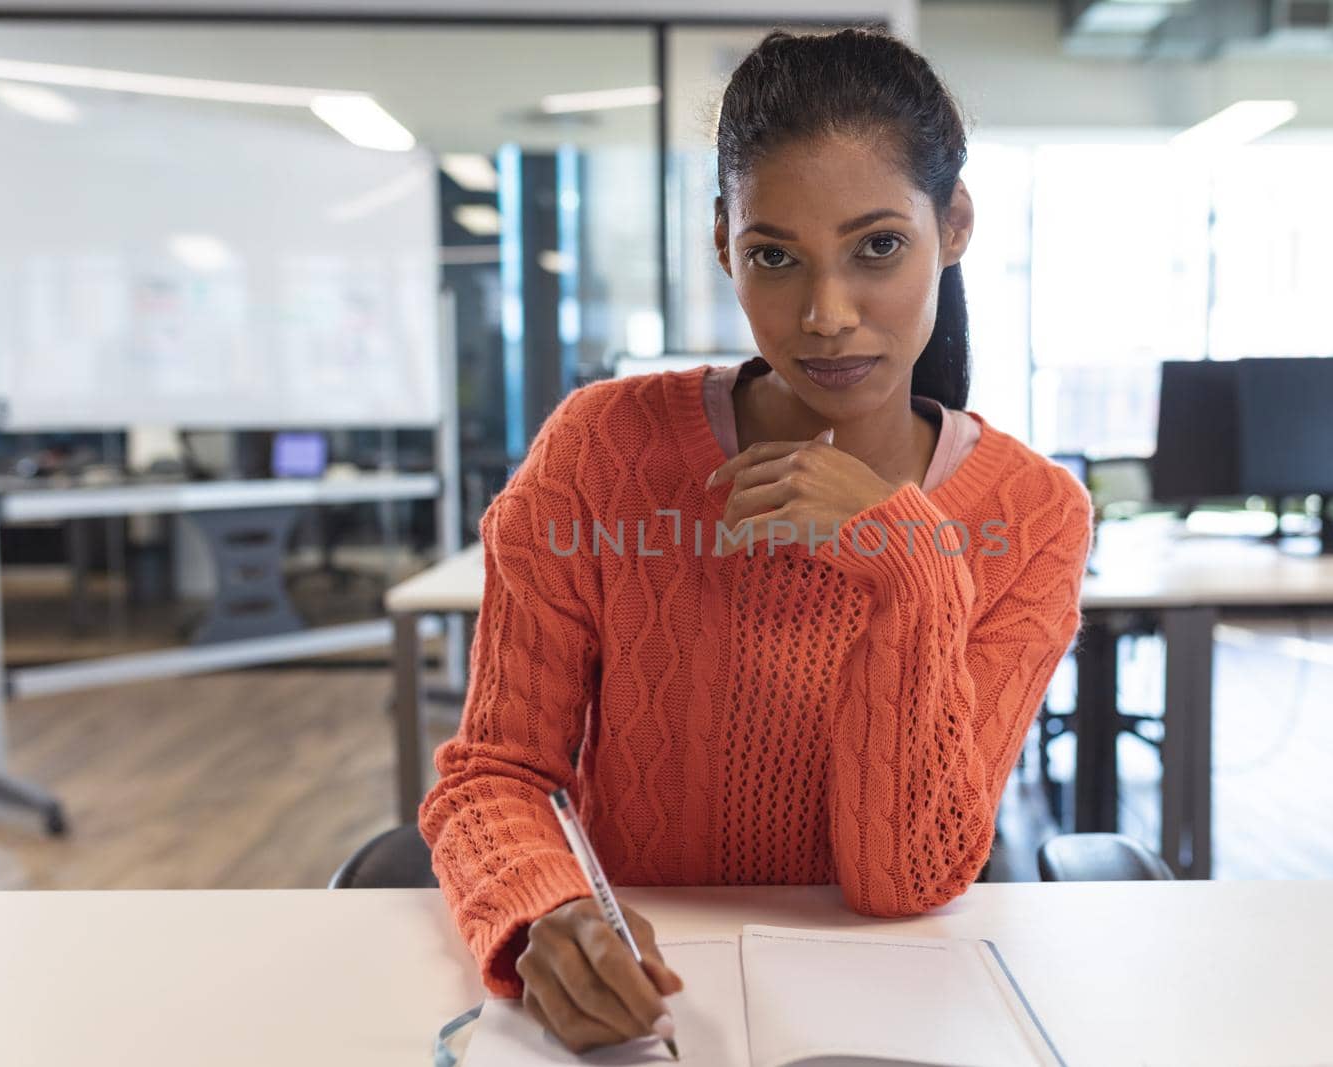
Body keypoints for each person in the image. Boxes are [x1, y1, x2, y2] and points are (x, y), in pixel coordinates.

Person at [417, 27, 1092, 1055]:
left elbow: (903, 877)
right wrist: (542, 910)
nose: (826, 315)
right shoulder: (603, 449)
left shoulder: (1034, 514)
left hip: (885, 1006)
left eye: (877, 247)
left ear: (950, 225)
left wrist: (904, 560)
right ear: (723, 242)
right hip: (652, 1008)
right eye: (775, 255)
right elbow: (493, 772)